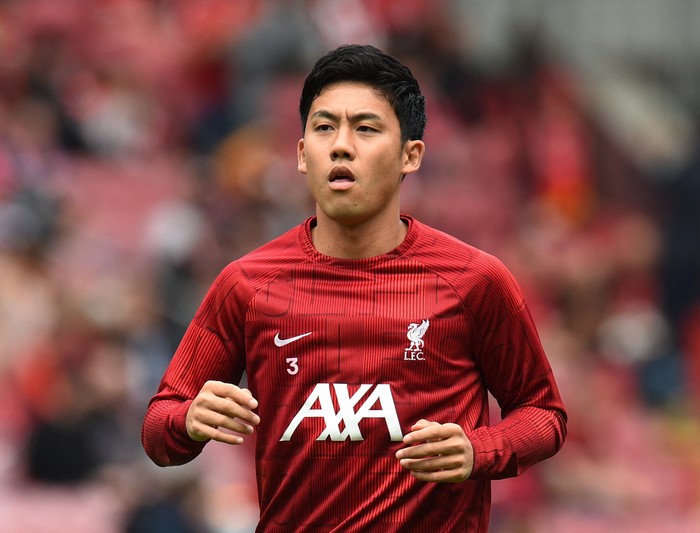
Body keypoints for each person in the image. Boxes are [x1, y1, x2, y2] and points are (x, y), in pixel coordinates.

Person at [142, 44, 567, 532]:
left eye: (365, 129)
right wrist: (188, 420)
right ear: (303, 155)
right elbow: (159, 429)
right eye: (324, 128)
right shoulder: (247, 284)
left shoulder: (474, 279)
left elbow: (543, 414)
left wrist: (480, 449)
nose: (341, 145)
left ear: (411, 155)